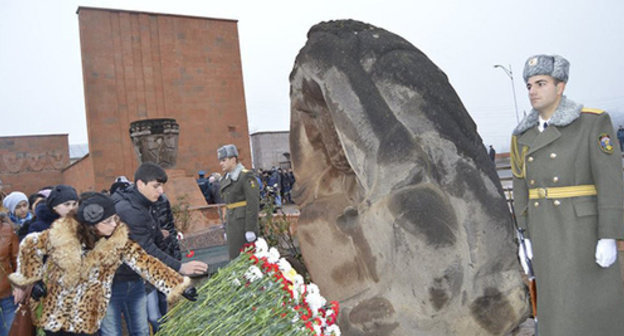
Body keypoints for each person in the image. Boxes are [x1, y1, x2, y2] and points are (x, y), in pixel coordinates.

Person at [510, 54, 624, 336]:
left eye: (541, 83)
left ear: (560, 86)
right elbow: (521, 186)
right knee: (555, 308)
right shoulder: (522, 135)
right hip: (544, 230)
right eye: (528, 85)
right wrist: (525, 236)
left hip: (583, 231)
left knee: (592, 306)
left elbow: (610, 182)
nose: (532, 91)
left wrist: (609, 234)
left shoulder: (591, 123)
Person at [8, 193, 196, 336]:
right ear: (91, 222)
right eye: (107, 221)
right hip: (57, 315)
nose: (114, 224)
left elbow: (146, 263)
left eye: (115, 218)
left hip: (88, 318)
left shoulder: (117, 242)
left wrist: (178, 285)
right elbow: (30, 245)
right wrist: (32, 279)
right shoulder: (61, 235)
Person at [102, 163, 207, 336]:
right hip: (114, 281)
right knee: (114, 331)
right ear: (140, 184)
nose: (161, 191)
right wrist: (180, 268)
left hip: (133, 276)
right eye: (156, 186)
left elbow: (155, 239)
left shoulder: (142, 202)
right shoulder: (129, 210)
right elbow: (148, 250)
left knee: (141, 329)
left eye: (162, 186)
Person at [217, 145, 260, 259]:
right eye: (220, 161)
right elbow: (228, 206)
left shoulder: (245, 176)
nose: (221, 163)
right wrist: (226, 227)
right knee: (235, 258)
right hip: (232, 223)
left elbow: (253, 204)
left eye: (224, 160)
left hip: (243, 224)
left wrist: (250, 228)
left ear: (233, 159)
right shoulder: (225, 178)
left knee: (247, 259)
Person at [0, 213, 18, 336]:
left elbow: (16, 259)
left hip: (6, 286)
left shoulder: (7, 230)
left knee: (11, 329)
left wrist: (20, 285)